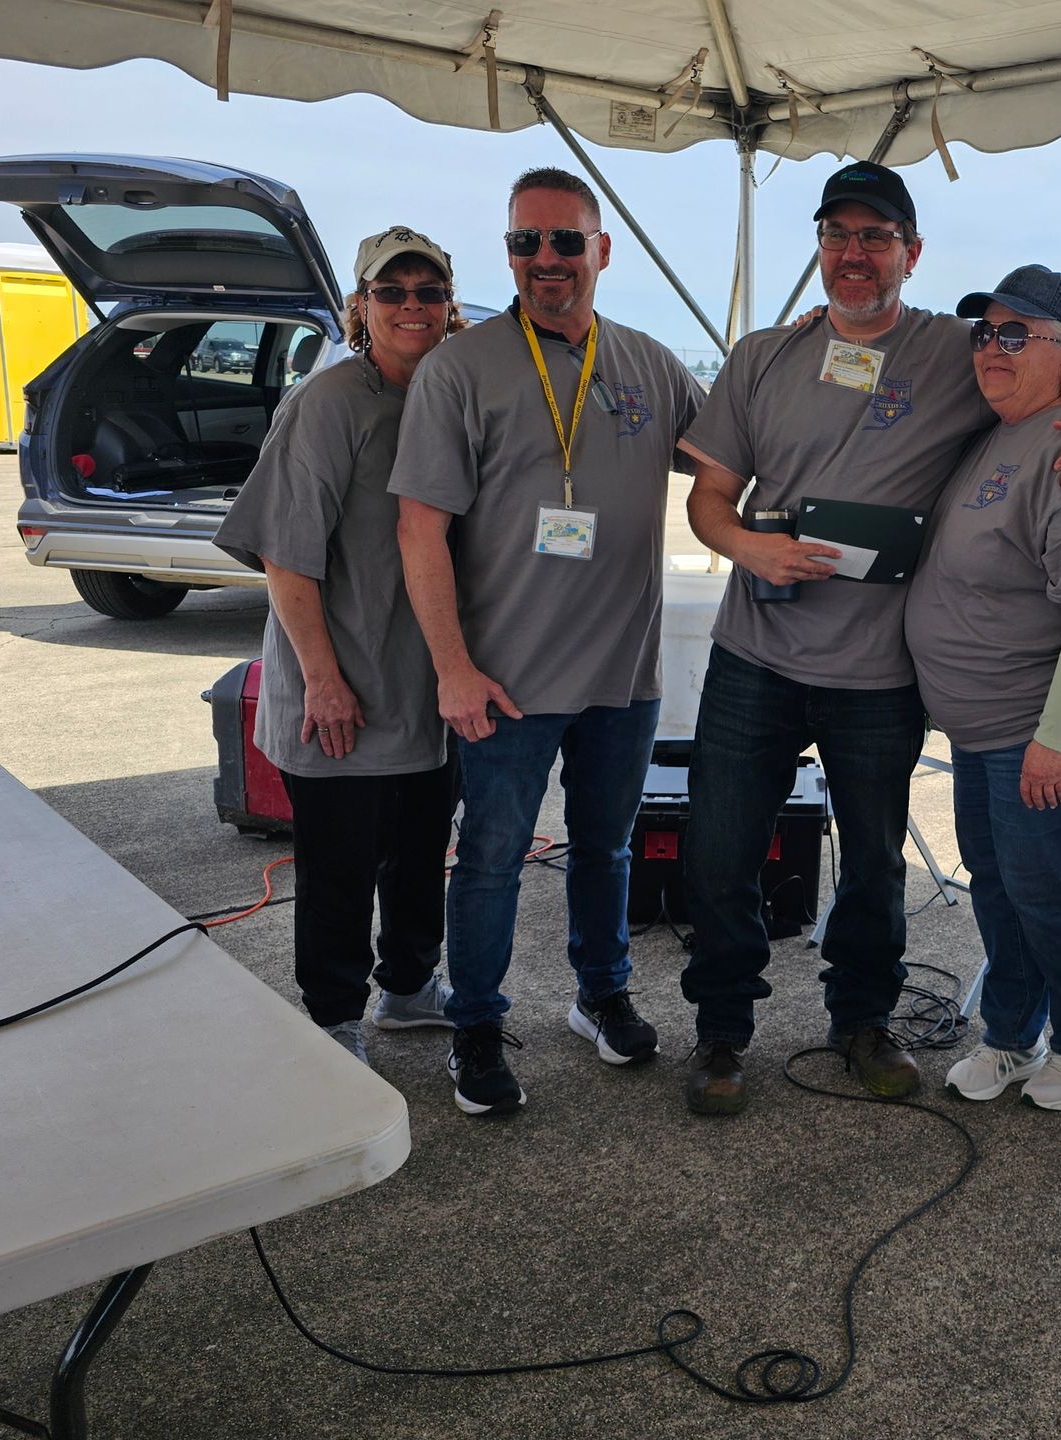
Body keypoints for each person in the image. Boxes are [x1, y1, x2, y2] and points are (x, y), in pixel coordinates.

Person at [676, 161, 1061, 1115]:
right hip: (755, 655)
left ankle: (862, 1023)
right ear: (819, 249)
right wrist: (749, 549)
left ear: (910, 253)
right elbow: (707, 501)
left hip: (879, 676)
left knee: (876, 864)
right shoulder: (764, 355)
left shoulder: (953, 351)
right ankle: (720, 1032)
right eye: (838, 236)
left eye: (876, 237)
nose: (855, 255)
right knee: (721, 852)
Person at [391, 168, 704, 1116]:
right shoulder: (462, 367)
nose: (546, 260)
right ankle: (479, 1023)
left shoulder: (649, 364)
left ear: (601, 250)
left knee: (607, 849)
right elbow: (419, 531)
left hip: (622, 672)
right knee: (489, 857)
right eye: (526, 243)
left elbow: (743, 444)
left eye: (566, 241)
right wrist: (453, 668)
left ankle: (600, 993)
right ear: (509, 254)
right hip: (504, 682)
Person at [213, 226, 465, 1065]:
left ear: (448, 303)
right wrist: (322, 680)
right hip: (341, 684)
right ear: (361, 307)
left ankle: (407, 987)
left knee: (420, 847)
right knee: (341, 864)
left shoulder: (450, 398)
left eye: (427, 291)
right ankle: (332, 1018)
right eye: (391, 292)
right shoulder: (328, 403)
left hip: (427, 686)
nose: (411, 306)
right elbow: (285, 554)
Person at [913, 266, 1061, 1112]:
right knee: (993, 875)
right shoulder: (1000, 422)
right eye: (984, 331)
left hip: (1052, 715)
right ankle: (1013, 1035)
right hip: (985, 720)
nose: (991, 347)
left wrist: (1054, 738)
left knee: (1043, 881)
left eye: (1015, 334)